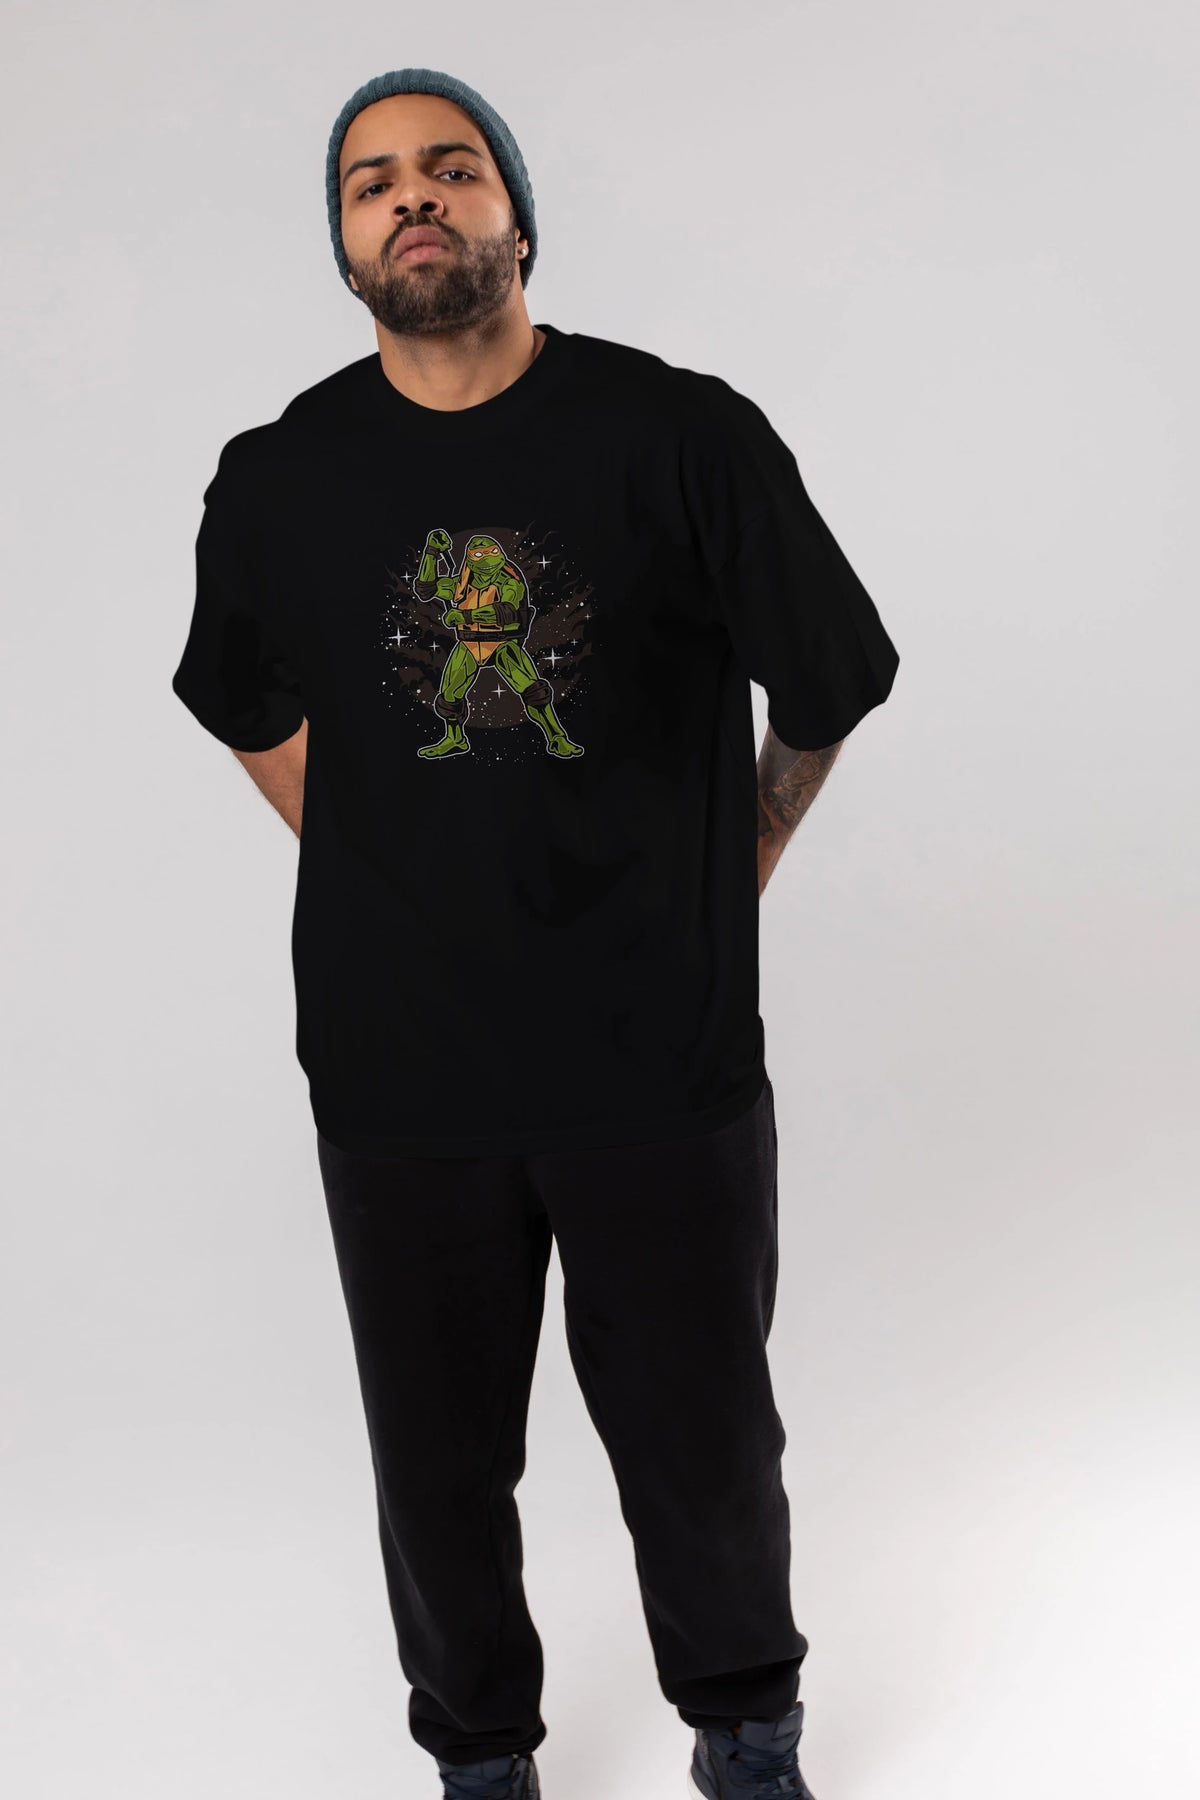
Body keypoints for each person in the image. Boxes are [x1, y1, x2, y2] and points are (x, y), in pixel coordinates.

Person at [170, 65, 899, 1800]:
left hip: (659, 1053)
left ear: (516, 214)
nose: (413, 197)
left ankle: (747, 1730)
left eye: (452, 167)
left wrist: (744, 855)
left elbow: (829, 676)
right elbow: (243, 701)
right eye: (372, 183)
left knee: (703, 1440)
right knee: (435, 1467)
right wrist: (383, 856)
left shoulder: (681, 436)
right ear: (345, 243)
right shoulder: (279, 477)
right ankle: (480, 1757)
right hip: (401, 1067)